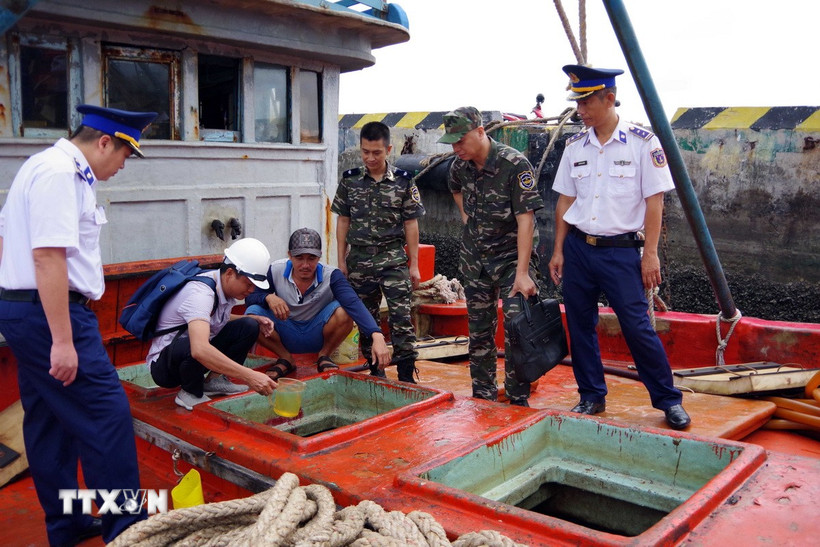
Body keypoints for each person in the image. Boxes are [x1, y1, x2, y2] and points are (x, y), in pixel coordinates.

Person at [0, 104, 156, 545]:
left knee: (49, 420)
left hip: (26, 310)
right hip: (53, 314)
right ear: (104, 141)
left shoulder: (40, 166)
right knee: (107, 416)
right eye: (124, 155)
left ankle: (65, 526)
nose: (123, 165)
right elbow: (48, 256)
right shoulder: (59, 175)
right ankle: (127, 530)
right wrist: (63, 340)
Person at [547, 64, 691, 429]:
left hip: (621, 251)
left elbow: (655, 202)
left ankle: (668, 400)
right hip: (579, 249)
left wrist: (651, 254)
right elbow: (565, 201)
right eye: (576, 103)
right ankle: (591, 396)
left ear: (608, 98)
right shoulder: (575, 146)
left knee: (637, 327)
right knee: (579, 324)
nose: (580, 111)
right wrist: (558, 250)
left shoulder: (643, 143)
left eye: (586, 102)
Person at [439, 106, 545, 406]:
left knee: (516, 326)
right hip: (476, 258)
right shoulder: (459, 166)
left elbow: (527, 219)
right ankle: (483, 395)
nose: (456, 148)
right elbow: (456, 189)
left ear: (481, 131)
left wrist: (523, 273)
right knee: (479, 330)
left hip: (513, 257)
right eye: (452, 143)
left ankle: (517, 396)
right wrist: (469, 221)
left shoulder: (514, 165)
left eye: (461, 140)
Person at [331, 121, 424, 382]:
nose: (370, 158)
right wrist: (341, 261)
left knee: (401, 318)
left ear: (388, 150)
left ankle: (406, 375)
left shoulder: (404, 182)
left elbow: (411, 223)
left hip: (393, 259)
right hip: (359, 260)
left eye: (376, 152)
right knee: (365, 319)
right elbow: (343, 221)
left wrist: (414, 264)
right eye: (365, 152)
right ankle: (376, 372)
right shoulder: (350, 181)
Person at [146, 237, 277, 410]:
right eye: (248, 283)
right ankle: (189, 393)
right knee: (195, 343)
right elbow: (199, 349)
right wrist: (250, 376)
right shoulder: (201, 294)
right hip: (165, 368)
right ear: (229, 273)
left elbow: (211, 319)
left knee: (248, 326)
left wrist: (253, 319)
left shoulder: (222, 286)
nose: (252, 290)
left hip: (190, 359)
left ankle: (215, 380)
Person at [245, 227, 391, 377]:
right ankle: (285, 358)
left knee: (344, 312)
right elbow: (250, 298)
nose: (305, 265)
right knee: (252, 315)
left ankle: (324, 355)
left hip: (317, 331)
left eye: (311, 258)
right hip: (285, 329)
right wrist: (268, 297)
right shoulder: (274, 270)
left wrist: (377, 335)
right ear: (289, 255)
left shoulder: (332, 275)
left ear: (320, 256)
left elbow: (353, 302)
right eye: (299, 258)